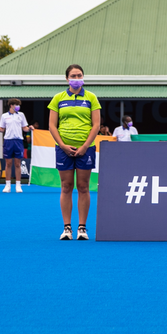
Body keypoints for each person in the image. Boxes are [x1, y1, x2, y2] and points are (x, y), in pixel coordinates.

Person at [48, 64, 101, 241]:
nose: (76, 78)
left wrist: (85, 146)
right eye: (73, 76)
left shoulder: (91, 97)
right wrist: (62, 145)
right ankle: (67, 228)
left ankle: (82, 228)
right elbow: (52, 125)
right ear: (67, 79)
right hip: (64, 149)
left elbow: (96, 125)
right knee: (66, 186)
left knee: (83, 187)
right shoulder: (58, 98)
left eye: (79, 75)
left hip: (86, 149)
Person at [0, 98, 32, 193]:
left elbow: (24, 128)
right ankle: (7, 185)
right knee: (8, 164)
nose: (18, 107)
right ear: (11, 105)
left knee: (17, 164)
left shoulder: (21, 115)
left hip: (18, 141)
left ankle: (18, 185)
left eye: (18, 105)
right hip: (8, 141)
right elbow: (2, 129)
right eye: (16, 105)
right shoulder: (4, 116)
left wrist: (30, 128)